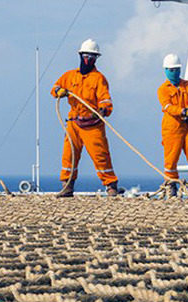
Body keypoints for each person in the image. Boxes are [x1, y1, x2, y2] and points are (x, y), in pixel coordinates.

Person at [51, 38, 120, 197]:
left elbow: (105, 99)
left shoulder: (98, 78)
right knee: (69, 156)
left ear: (96, 59)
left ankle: (111, 185)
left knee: (100, 156)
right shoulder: (69, 76)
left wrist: (101, 111)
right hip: (74, 123)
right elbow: (54, 88)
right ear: (80, 56)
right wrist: (59, 91)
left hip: (93, 125)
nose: (88, 59)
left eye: (92, 57)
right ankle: (67, 186)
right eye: (86, 56)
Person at [157, 54, 188, 197]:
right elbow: (167, 107)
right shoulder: (163, 89)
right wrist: (182, 111)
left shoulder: (187, 85)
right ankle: (171, 187)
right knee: (171, 159)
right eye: (171, 70)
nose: (175, 72)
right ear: (166, 70)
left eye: (177, 69)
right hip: (172, 128)